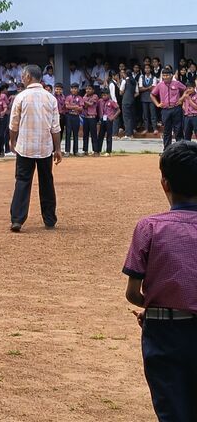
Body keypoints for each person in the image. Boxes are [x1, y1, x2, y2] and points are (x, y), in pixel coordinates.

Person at [122, 141, 197, 422]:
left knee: (173, 411)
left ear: (164, 183)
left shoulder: (150, 227)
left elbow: (133, 292)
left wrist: (157, 307)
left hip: (165, 332)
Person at [8, 65, 62, 232]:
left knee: (23, 181)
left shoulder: (21, 97)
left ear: (28, 77)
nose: (22, 78)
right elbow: (55, 127)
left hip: (25, 147)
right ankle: (50, 219)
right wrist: (57, 148)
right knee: (47, 182)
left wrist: (12, 141)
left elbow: (13, 124)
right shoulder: (51, 98)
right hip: (45, 147)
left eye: (23, 76)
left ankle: (17, 219)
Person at [151, 67, 186, 150]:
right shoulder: (160, 85)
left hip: (176, 108)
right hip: (165, 110)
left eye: (167, 75)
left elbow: (186, 90)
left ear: (171, 76)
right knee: (167, 131)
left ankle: (180, 149)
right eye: (164, 75)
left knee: (178, 130)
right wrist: (157, 104)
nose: (165, 77)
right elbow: (152, 94)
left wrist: (181, 99)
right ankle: (167, 150)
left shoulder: (177, 83)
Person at [97, 89, 119, 156]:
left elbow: (118, 110)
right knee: (100, 135)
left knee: (109, 136)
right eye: (102, 95)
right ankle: (98, 150)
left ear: (108, 95)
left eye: (105, 95)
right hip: (102, 119)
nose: (104, 96)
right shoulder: (100, 101)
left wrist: (113, 117)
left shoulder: (111, 102)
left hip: (109, 120)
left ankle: (108, 151)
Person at [139, 64, 159, 135]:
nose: (147, 69)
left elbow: (154, 88)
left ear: (151, 69)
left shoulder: (154, 77)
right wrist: (148, 88)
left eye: (148, 68)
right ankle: (146, 129)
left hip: (151, 98)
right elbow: (140, 88)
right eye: (146, 68)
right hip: (144, 98)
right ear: (144, 70)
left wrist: (145, 88)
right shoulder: (141, 77)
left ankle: (155, 129)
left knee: (153, 114)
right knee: (145, 115)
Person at [64, 83, 83, 156]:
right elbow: (67, 106)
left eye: (75, 88)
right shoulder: (68, 97)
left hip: (76, 116)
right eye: (72, 88)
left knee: (76, 134)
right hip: (69, 116)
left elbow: (81, 108)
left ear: (78, 89)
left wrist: (72, 106)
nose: (74, 90)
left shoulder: (80, 98)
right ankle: (67, 151)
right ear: (70, 89)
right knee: (68, 133)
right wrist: (75, 107)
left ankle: (76, 151)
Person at [120, 69, 139, 139]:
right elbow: (137, 93)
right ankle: (131, 133)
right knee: (131, 117)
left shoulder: (125, 81)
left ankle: (128, 134)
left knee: (126, 117)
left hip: (125, 101)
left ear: (125, 74)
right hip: (132, 100)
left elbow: (121, 92)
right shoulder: (135, 81)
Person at [81, 85, 99, 156]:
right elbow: (85, 106)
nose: (88, 90)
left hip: (92, 117)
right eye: (86, 89)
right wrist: (85, 101)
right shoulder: (85, 97)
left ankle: (95, 151)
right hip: (85, 117)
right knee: (85, 134)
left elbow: (91, 104)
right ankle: (85, 151)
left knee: (93, 135)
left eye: (89, 89)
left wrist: (84, 100)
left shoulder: (95, 96)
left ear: (93, 90)